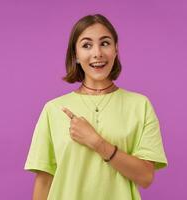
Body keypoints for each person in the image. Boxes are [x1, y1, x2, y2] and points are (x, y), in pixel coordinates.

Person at [24, 14, 168, 200]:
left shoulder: (140, 105)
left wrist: (96, 142)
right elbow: (44, 180)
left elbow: (146, 177)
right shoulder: (53, 109)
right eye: (87, 45)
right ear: (76, 55)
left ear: (116, 49)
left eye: (105, 43)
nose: (97, 53)